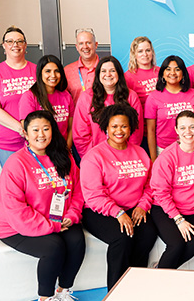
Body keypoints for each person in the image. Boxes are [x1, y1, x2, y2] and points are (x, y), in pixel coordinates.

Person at [0, 111, 85, 301]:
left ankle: (63, 292)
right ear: (26, 134)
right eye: (35, 130)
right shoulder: (16, 164)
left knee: (77, 241)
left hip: (58, 219)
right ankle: (46, 297)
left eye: (46, 129)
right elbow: (16, 209)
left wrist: (73, 213)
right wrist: (53, 226)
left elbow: (77, 189)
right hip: (16, 227)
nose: (41, 134)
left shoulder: (63, 156)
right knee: (54, 247)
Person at [80, 104, 157, 290]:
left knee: (148, 234)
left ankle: (135, 284)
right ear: (106, 128)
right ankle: (115, 290)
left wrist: (143, 205)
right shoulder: (94, 156)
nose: (119, 131)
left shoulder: (139, 152)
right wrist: (118, 213)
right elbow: (93, 195)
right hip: (100, 211)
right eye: (114, 126)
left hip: (134, 207)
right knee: (122, 238)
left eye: (123, 126)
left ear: (130, 128)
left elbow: (149, 185)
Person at [150, 110, 194, 268]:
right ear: (176, 130)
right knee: (176, 244)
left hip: (193, 209)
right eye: (183, 128)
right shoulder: (167, 157)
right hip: (165, 209)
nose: (188, 132)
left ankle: (162, 269)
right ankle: (157, 280)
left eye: (192, 127)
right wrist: (178, 220)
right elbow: (161, 193)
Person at [72, 56, 143, 158]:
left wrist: (128, 156)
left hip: (125, 157)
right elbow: (80, 134)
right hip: (96, 157)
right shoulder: (86, 97)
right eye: (103, 71)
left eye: (112, 70)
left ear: (119, 74)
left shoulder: (131, 96)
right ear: (98, 75)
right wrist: (91, 158)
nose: (108, 74)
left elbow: (136, 131)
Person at [0, 26, 36, 166]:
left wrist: (33, 131)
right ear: (4, 46)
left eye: (19, 41)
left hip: (36, 140)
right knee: (15, 184)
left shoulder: (37, 71)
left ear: (25, 45)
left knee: (36, 184)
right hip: (7, 143)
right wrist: (21, 129)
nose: (15, 45)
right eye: (10, 41)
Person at [145, 55, 194, 161]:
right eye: (168, 69)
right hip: (163, 149)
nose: (173, 73)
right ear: (163, 74)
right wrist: (153, 158)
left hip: (189, 147)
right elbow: (150, 130)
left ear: (183, 73)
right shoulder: (153, 97)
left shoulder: (193, 94)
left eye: (177, 69)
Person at [19, 55, 74, 149]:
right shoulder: (29, 96)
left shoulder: (66, 95)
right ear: (40, 73)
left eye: (57, 71)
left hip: (62, 151)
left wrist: (67, 149)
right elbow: (28, 130)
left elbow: (71, 128)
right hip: (39, 151)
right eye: (48, 71)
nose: (53, 75)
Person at [64, 28, 99, 104]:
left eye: (88, 43)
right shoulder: (67, 71)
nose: (85, 47)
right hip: (76, 115)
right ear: (77, 47)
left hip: (103, 115)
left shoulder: (106, 69)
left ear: (96, 45)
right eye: (81, 43)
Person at [124, 36, 159, 109]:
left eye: (148, 50)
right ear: (134, 54)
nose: (145, 54)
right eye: (140, 51)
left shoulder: (162, 71)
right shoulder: (128, 77)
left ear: (152, 52)